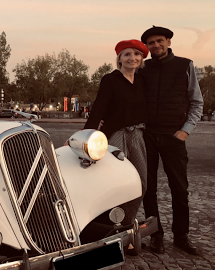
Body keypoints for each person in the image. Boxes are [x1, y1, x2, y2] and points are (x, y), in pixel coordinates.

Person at [139, 26, 203, 255]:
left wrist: (185, 130)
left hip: (174, 136)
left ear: (168, 40)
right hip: (147, 136)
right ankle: (156, 234)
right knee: (148, 190)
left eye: (159, 41)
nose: (155, 45)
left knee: (179, 189)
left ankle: (181, 236)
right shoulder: (142, 68)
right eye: (150, 43)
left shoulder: (185, 65)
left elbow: (196, 102)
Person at [84, 39, 149, 232]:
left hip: (137, 135)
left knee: (140, 183)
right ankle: (108, 227)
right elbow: (99, 108)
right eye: (127, 54)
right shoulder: (110, 79)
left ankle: (127, 225)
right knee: (113, 183)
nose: (132, 58)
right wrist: (86, 133)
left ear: (142, 58)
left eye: (136, 54)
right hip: (114, 137)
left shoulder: (142, 81)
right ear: (119, 58)